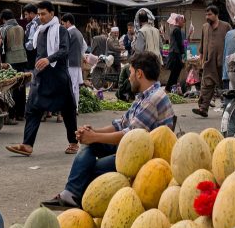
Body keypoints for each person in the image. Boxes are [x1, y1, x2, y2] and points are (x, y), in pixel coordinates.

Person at [42, 52, 175, 209]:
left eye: (131, 72)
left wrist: (95, 136)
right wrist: (93, 133)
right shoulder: (144, 96)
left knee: (92, 168)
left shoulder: (154, 99)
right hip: (132, 148)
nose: (129, 77)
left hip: (142, 159)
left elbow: (129, 136)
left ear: (139, 74)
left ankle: (77, 197)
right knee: (91, 147)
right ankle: (70, 194)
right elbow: (121, 124)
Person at [6, 1, 77, 157]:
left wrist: (49, 59)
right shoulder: (39, 30)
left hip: (58, 77)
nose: (40, 17)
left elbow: (65, 50)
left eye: (43, 14)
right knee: (32, 109)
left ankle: (73, 142)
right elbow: (35, 52)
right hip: (41, 77)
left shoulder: (60, 30)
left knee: (67, 110)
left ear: (52, 14)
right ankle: (27, 145)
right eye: (38, 14)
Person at [194, 6, 231, 117]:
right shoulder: (205, 27)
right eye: (206, 15)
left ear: (216, 14)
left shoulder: (226, 26)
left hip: (222, 62)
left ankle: (228, 109)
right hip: (208, 62)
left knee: (224, 87)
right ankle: (203, 108)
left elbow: (231, 42)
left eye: (209, 14)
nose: (207, 17)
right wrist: (201, 57)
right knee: (206, 86)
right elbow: (202, 43)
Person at [61, 14, 87, 147]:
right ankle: (75, 107)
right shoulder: (79, 33)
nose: (63, 25)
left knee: (70, 88)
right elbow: (84, 47)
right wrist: (81, 56)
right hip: (77, 63)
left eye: (63, 23)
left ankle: (71, 108)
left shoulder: (68, 33)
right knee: (75, 87)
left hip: (69, 64)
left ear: (68, 22)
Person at [165, 14, 186, 91]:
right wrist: (183, 54)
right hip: (176, 53)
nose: (183, 23)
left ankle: (170, 88)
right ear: (177, 21)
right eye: (182, 21)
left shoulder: (178, 30)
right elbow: (180, 43)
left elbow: (184, 42)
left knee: (175, 73)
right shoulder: (177, 30)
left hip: (176, 52)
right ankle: (168, 88)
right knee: (175, 73)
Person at [23, 4, 40, 69]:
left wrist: (24, 47)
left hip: (33, 54)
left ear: (32, 13)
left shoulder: (34, 24)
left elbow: (31, 44)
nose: (25, 17)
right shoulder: (39, 22)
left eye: (26, 14)